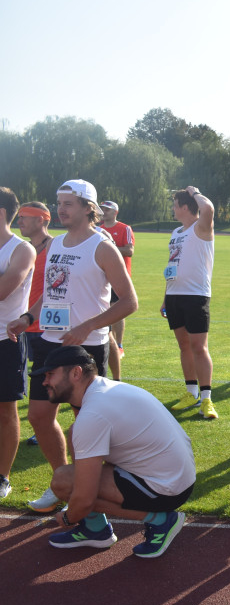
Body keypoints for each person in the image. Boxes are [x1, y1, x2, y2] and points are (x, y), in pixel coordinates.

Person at [7, 179, 138, 514]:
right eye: (58, 203)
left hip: (87, 350)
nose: (60, 210)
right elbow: (52, 292)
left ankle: (86, 494)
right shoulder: (56, 245)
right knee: (38, 416)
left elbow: (130, 302)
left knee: (87, 427)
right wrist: (27, 316)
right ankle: (61, 482)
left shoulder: (102, 247)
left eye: (67, 204)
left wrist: (88, 326)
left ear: (87, 208)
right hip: (50, 343)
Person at [37, 346, 195, 558]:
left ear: (76, 373)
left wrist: (69, 518)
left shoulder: (93, 413)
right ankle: (95, 530)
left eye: (50, 375)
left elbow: (84, 498)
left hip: (166, 488)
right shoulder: (104, 390)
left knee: (63, 482)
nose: (45, 382)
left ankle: (161, 520)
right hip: (175, 476)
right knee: (76, 443)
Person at [163, 186, 217, 419]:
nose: (173, 208)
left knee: (198, 347)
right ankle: (190, 392)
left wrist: (195, 192)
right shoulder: (176, 232)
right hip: (175, 296)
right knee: (184, 346)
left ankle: (206, 399)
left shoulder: (201, 227)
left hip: (196, 296)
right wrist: (165, 296)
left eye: (175, 204)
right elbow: (171, 265)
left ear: (185, 207)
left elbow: (208, 208)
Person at [0, 188, 34, 499]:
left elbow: (4, 289)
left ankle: (3, 476)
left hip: (4, 342)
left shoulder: (21, 249)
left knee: (5, 410)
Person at [15, 201, 53, 448]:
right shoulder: (23, 249)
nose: (19, 221)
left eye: (24, 217)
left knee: (47, 381)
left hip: (45, 326)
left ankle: (44, 428)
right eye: (18, 217)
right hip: (21, 324)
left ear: (41, 219)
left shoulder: (56, 247)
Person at [98, 200, 134, 381]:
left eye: (108, 209)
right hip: (102, 277)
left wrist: (109, 249)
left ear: (116, 212)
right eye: (102, 209)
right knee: (103, 311)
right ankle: (107, 342)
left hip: (119, 276)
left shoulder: (124, 228)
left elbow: (129, 250)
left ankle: (118, 344)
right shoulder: (99, 228)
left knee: (117, 311)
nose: (104, 212)